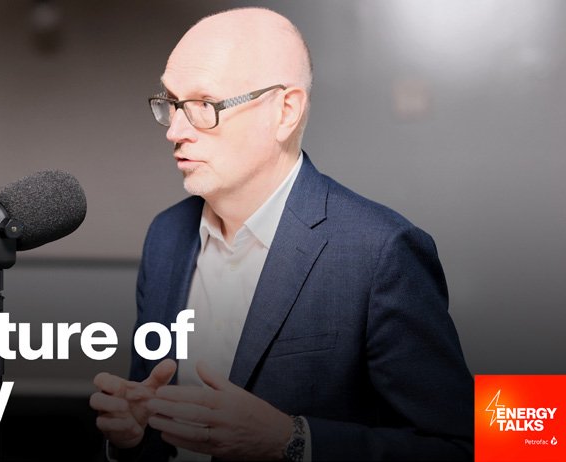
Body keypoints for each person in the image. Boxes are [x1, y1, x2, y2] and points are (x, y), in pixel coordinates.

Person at [90, 7, 473, 461]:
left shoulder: (380, 252)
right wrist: (130, 437)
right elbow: (152, 413)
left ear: (285, 112)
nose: (175, 130)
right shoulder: (166, 237)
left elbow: (460, 445)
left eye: (202, 106)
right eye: (171, 104)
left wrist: (291, 441)